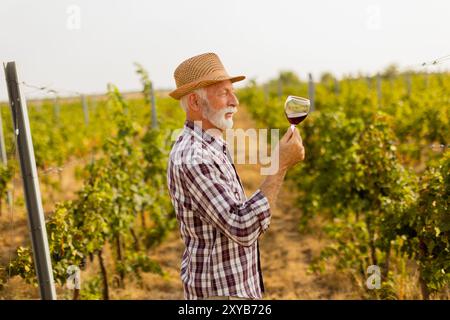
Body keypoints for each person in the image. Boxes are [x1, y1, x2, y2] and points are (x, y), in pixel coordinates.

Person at [167, 52, 305, 300]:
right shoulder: (194, 157)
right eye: (223, 93)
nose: (235, 101)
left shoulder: (211, 144)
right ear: (195, 103)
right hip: (220, 294)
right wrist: (279, 166)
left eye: (232, 91)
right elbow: (241, 226)